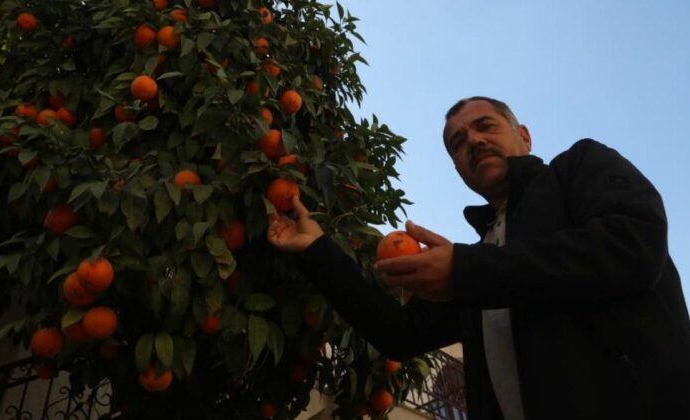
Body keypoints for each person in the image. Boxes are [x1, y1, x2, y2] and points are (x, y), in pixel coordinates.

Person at [268, 96, 690, 420]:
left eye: (484, 126)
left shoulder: (578, 167)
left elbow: (633, 246)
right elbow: (399, 333)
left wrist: (465, 269)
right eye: (457, 143)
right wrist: (318, 250)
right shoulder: (482, 258)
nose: (472, 140)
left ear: (523, 135)